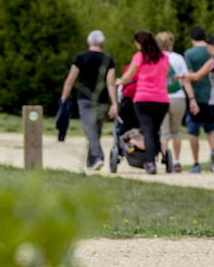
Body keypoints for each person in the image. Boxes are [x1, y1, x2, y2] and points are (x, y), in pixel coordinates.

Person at [59, 30, 118, 171]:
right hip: (102, 100)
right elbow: (110, 83)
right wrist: (114, 103)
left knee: (90, 129)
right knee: (95, 130)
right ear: (102, 44)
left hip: (85, 99)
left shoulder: (80, 57)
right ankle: (92, 162)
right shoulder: (108, 59)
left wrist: (64, 97)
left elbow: (70, 79)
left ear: (88, 42)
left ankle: (97, 156)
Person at [117, 30, 171, 175]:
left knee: (147, 130)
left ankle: (150, 162)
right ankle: (154, 157)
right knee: (155, 131)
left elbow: (128, 76)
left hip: (143, 99)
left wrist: (119, 82)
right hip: (161, 100)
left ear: (139, 43)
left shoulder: (139, 57)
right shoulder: (164, 57)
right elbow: (165, 74)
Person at [182, 25, 214, 173]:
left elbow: (190, 77)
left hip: (197, 96)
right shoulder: (213, 53)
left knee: (193, 131)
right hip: (212, 96)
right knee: (211, 128)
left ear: (192, 38)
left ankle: (196, 162)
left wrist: (191, 98)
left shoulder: (189, 54)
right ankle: (213, 152)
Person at [157, 31, 188, 173]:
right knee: (176, 131)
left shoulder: (156, 58)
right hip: (178, 97)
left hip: (161, 97)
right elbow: (185, 78)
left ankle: (165, 159)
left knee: (163, 132)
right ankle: (176, 161)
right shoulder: (179, 58)